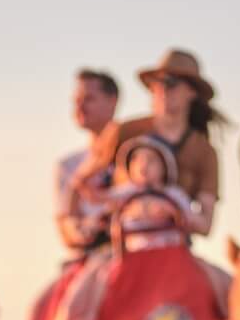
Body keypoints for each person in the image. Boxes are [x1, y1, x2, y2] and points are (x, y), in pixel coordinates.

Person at [75, 48, 223, 240]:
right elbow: (80, 182)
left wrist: (170, 210)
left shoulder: (204, 151)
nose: (162, 90)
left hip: (174, 246)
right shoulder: (123, 132)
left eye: (171, 83)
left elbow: (206, 224)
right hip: (122, 244)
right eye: (156, 83)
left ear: (192, 91)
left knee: (217, 272)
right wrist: (110, 209)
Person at [55, 68, 119, 254]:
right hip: (89, 256)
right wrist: (81, 232)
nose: (80, 107)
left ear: (112, 101)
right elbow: (64, 224)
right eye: (76, 101)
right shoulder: (67, 165)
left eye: (89, 99)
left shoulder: (137, 156)